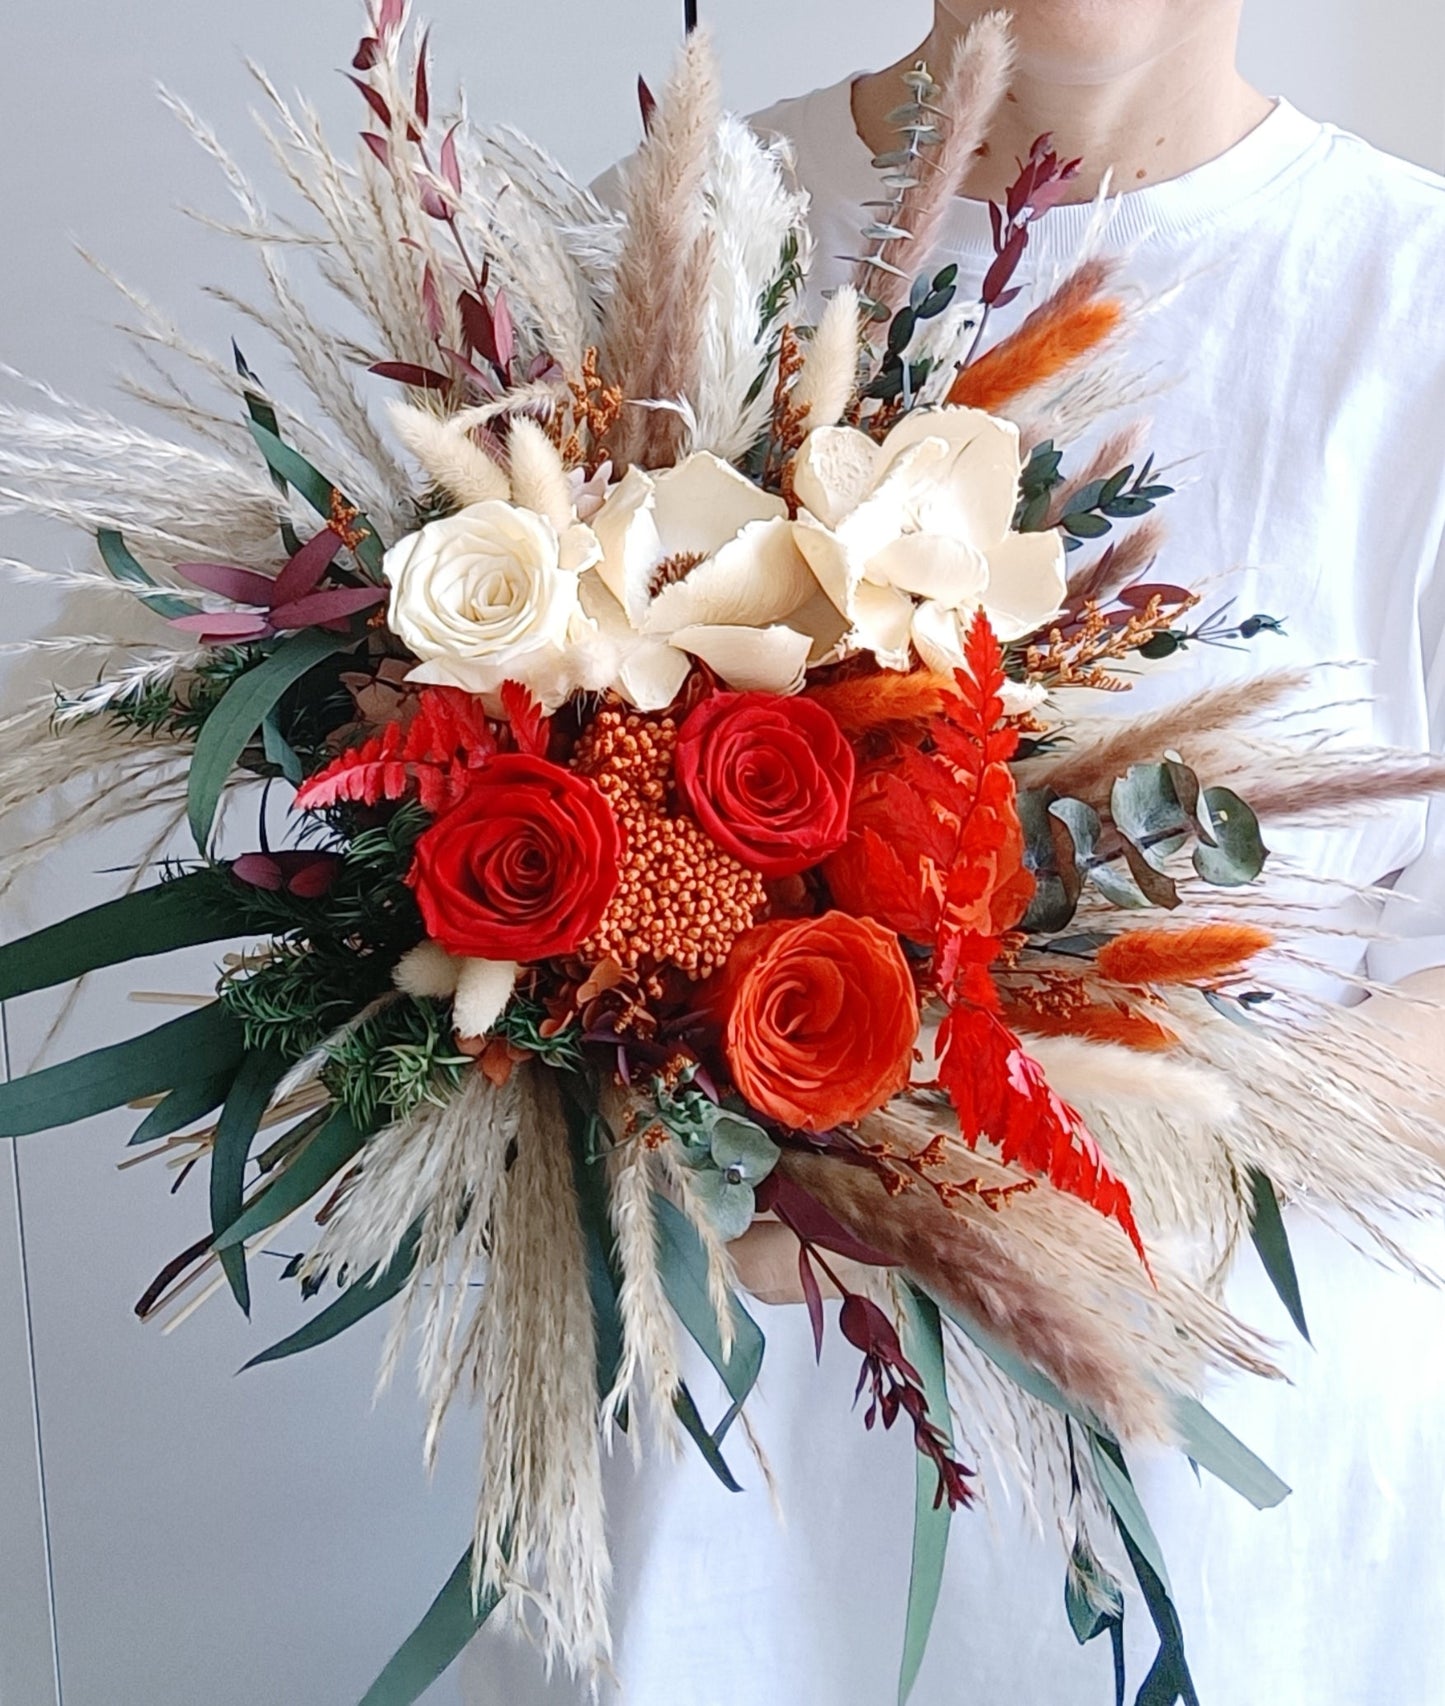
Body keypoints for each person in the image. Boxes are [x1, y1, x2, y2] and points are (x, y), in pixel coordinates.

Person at [465, 4, 1445, 1701]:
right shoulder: (652, 235)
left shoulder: (1409, 299)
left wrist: (1024, 1170)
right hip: (718, 1503)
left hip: (1220, 1507)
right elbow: (447, 857)